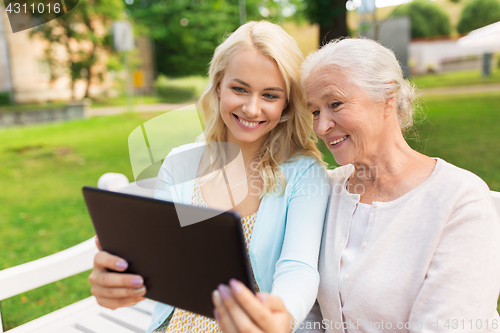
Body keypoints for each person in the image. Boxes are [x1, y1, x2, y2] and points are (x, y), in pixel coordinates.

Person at [214, 38, 500, 333]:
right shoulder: (327, 189)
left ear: (387, 96)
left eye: (335, 104)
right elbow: (314, 315)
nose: (322, 127)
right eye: (314, 111)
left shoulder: (460, 199)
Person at [88, 20, 330, 333]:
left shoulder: (304, 174)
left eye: (270, 95)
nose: (252, 108)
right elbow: (163, 262)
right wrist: (121, 279)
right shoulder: (180, 164)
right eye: (239, 89)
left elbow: (298, 267)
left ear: (287, 104)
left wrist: (280, 318)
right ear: (218, 86)